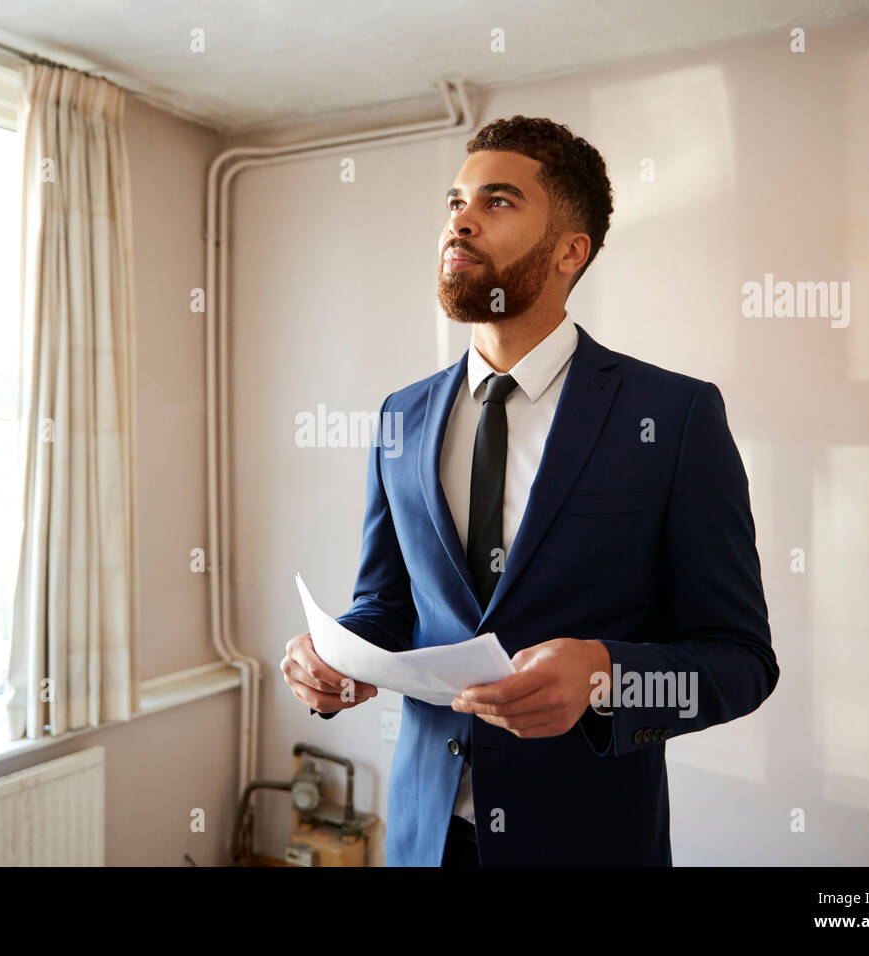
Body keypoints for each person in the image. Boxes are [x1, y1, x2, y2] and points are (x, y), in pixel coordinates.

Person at [281, 115, 779, 866]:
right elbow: (388, 604)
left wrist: (607, 678)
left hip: (589, 840)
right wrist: (334, 657)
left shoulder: (673, 417)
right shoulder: (400, 416)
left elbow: (740, 664)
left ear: (570, 252)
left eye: (499, 201)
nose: (462, 220)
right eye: (455, 202)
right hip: (424, 835)